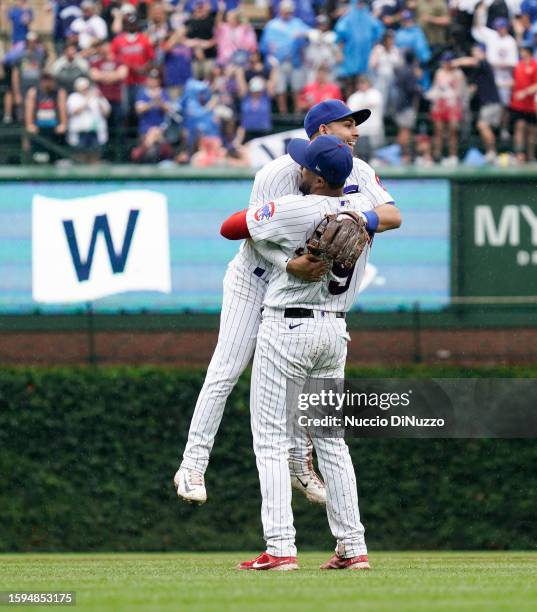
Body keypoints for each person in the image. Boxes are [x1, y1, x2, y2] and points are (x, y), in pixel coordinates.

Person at [173, 99, 401, 505]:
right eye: (347, 124)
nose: (356, 132)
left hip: (300, 292)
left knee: (298, 379)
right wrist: (289, 263)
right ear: (321, 132)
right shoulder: (275, 174)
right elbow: (251, 235)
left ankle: (300, 463)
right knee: (225, 370)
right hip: (256, 279)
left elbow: (391, 215)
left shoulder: (356, 170)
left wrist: (358, 218)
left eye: (356, 124)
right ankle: (192, 466)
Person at [219, 135, 386, 571]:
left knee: (271, 439)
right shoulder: (362, 216)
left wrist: (282, 250)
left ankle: (280, 548)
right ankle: (353, 548)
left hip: (287, 323)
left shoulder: (298, 207)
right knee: (331, 442)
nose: (299, 169)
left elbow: (230, 226)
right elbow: (387, 213)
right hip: (335, 331)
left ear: (315, 175)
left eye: (305, 165)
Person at [452, 43, 503, 162]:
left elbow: (471, 61)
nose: (475, 53)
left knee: (482, 125)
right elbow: (474, 86)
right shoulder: (479, 70)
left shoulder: (484, 63)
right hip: (487, 103)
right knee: (483, 126)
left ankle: (492, 152)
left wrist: (456, 62)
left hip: (492, 102)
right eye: (474, 51)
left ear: (483, 52)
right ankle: (490, 152)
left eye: (477, 51)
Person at [259, 0, 310, 113]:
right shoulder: (272, 25)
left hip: (295, 61)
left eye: (289, 11)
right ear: (280, 11)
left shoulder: (297, 23)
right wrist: (270, 53)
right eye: (285, 11)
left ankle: (297, 112)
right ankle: (283, 112)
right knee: (280, 88)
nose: (287, 13)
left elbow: (309, 34)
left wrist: (302, 35)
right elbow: (264, 46)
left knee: (297, 88)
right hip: (278, 62)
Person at [334, 0, 384, 97]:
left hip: (365, 59)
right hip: (349, 58)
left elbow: (378, 34)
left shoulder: (370, 18)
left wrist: (374, 54)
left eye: (362, 2)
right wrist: (339, 53)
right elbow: (339, 37)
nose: (360, 4)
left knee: (364, 85)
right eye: (358, 2)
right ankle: (349, 109)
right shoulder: (347, 18)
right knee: (349, 85)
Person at [428, 51, 466, 165]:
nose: (446, 64)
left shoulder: (458, 74)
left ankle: (453, 156)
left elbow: (460, 91)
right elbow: (435, 88)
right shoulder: (439, 73)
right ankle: (437, 156)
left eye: (448, 62)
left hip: (453, 105)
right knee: (438, 131)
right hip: (440, 104)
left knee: (452, 131)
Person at [24, 72, 68, 162]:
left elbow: (62, 108)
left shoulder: (59, 92)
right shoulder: (33, 92)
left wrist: (63, 124)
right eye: (44, 80)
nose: (47, 83)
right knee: (39, 156)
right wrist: (29, 124)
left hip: (54, 128)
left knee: (57, 153)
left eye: (49, 80)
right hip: (39, 128)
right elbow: (29, 109)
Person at [66, 76, 110, 162]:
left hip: (95, 131)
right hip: (79, 132)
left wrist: (99, 98)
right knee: (80, 155)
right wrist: (87, 100)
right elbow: (74, 111)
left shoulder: (97, 97)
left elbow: (106, 112)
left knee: (95, 154)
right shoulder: (73, 97)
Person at [509, 43, 537, 162]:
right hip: (518, 104)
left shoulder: (535, 66)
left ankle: (531, 156)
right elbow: (515, 82)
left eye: (523, 50)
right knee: (519, 127)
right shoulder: (518, 66)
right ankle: (519, 154)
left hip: (531, 105)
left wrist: (525, 93)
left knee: (532, 131)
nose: (521, 53)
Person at [347, 76, 384, 160]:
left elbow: (374, 102)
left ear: (368, 83)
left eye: (364, 83)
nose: (362, 85)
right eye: (360, 83)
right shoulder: (354, 97)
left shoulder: (375, 93)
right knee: (361, 156)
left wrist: (360, 106)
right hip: (360, 131)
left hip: (374, 130)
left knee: (375, 156)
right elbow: (350, 110)